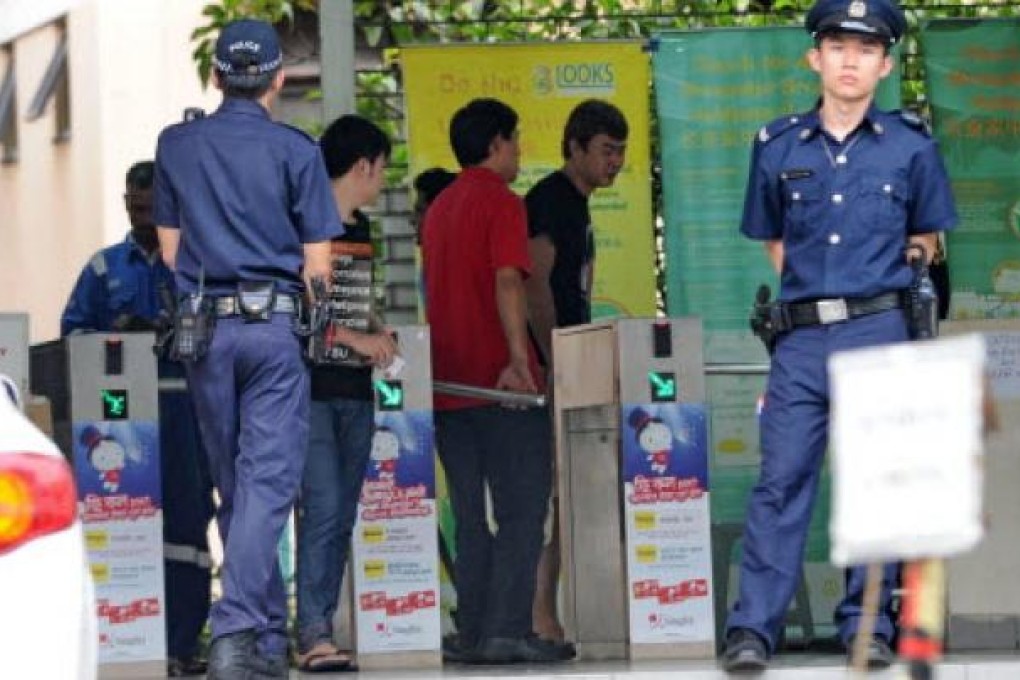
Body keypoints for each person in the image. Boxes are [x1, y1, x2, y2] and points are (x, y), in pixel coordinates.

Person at [720, 0, 958, 673]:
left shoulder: (913, 146)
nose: (850, 59)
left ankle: (867, 626)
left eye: (865, 49)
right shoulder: (777, 145)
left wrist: (878, 288)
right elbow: (772, 240)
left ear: (885, 65)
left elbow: (928, 236)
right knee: (781, 481)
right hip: (801, 340)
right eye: (837, 45)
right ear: (814, 58)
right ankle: (753, 632)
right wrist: (818, 298)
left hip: (882, 329)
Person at [153, 18, 342, 680]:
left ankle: (262, 637)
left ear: (215, 77)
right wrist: (319, 325)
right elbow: (319, 269)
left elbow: (172, 254)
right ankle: (236, 631)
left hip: (204, 332)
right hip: (273, 333)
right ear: (278, 79)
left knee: (237, 484)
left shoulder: (177, 146)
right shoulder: (297, 153)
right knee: (267, 482)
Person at [421, 98, 571, 665]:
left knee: (468, 512)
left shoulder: (437, 209)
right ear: (496, 145)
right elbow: (509, 281)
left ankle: (475, 629)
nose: (519, 150)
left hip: (447, 386)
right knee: (522, 508)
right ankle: (509, 628)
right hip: (502, 388)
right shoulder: (503, 204)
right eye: (515, 140)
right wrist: (518, 359)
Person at [61, 161, 215, 678]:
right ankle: (127, 641)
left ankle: (183, 642)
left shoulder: (195, 265)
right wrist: (118, 338)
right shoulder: (104, 269)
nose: (137, 211)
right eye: (131, 203)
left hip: (187, 412)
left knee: (189, 529)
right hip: (118, 424)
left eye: (147, 205)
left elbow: (216, 336)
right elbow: (72, 337)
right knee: (123, 526)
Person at [294, 114, 398, 673]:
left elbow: (353, 304)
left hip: (356, 391)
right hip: (309, 390)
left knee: (342, 512)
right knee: (326, 506)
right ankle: (311, 630)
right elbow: (311, 314)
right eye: (381, 168)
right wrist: (359, 338)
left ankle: (321, 627)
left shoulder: (361, 230)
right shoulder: (306, 228)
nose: (382, 179)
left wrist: (376, 333)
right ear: (362, 166)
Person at [523, 99, 628, 643]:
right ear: (575, 147)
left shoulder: (576, 204)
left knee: (568, 496)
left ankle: (549, 612)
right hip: (553, 363)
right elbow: (534, 286)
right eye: (607, 151)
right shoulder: (550, 201)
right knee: (550, 496)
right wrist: (551, 355)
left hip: (572, 356)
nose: (616, 163)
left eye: (621, 153)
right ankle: (539, 614)